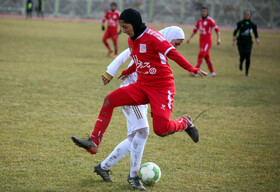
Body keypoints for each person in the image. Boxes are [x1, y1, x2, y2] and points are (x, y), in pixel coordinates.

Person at [72, 8, 207, 190]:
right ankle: (94, 141)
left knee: (161, 129)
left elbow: (173, 54)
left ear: (134, 24)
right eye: (121, 27)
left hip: (161, 87)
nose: (123, 30)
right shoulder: (131, 39)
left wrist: (191, 68)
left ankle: (185, 123)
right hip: (142, 86)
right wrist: (128, 70)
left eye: (125, 26)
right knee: (109, 100)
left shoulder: (154, 37)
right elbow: (140, 59)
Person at [93, 26, 186, 191]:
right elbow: (125, 54)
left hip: (145, 92)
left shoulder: (159, 46)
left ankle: (103, 167)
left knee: (134, 138)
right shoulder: (150, 41)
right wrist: (110, 71)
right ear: (169, 37)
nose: (175, 47)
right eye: (176, 43)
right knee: (142, 132)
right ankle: (133, 177)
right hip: (133, 89)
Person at [186, 6, 221, 77]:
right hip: (201, 42)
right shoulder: (200, 21)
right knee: (206, 57)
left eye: (205, 11)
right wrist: (189, 38)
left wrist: (218, 39)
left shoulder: (210, 20)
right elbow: (195, 30)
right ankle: (212, 72)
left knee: (201, 54)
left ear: (207, 12)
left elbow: (217, 29)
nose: (203, 13)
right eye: (202, 11)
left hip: (207, 42)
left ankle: (194, 72)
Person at [233, 10, 259, 77]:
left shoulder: (252, 25)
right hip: (240, 42)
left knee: (247, 55)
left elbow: (255, 33)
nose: (247, 15)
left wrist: (257, 39)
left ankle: (247, 72)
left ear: (250, 16)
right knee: (242, 54)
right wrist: (234, 40)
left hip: (248, 42)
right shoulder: (240, 23)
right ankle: (241, 62)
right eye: (246, 14)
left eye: (248, 14)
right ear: (244, 15)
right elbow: (235, 31)